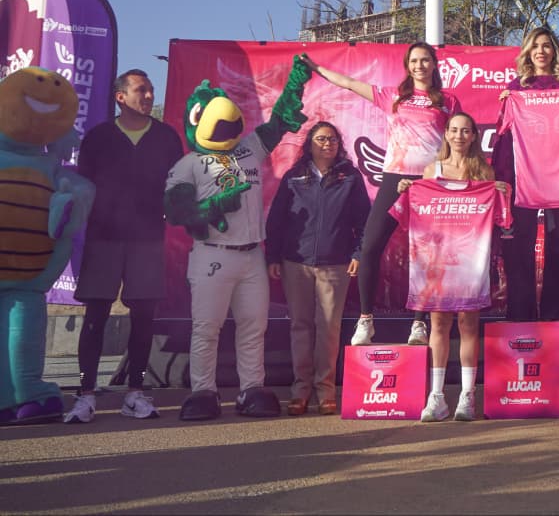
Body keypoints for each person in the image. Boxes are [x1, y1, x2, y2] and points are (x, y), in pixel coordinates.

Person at [164, 58, 312, 421]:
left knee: (253, 327)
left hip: (251, 256)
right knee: (206, 327)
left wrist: (295, 82)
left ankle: (251, 389)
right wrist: (215, 205)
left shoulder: (248, 149)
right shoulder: (189, 164)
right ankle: (203, 391)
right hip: (212, 255)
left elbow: (279, 122)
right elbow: (177, 211)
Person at [302, 43, 461, 346]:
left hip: (430, 183)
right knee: (370, 247)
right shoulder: (393, 96)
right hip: (394, 178)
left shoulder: (448, 101)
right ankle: (366, 320)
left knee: (428, 254)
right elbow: (348, 83)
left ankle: (419, 323)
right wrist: (316, 68)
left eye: (425, 60)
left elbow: (459, 139)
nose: (419, 65)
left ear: (434, 64)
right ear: (408, 65)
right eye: (414, 61)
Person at [62, 70, 183, 424]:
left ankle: (135, 393)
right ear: (120, 97)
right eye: (141, 90)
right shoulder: (98, 137)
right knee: (95, 316)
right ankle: (85, 395)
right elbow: (83, 188)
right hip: (103, 239)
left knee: (144, 317)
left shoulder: (166, 137)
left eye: (151, 90)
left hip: (148, 240)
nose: (148, 96)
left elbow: (178, 186)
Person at [393, 112, 510, 422]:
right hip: (438, 261)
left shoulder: (484, 172)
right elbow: (418, 207)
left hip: (470, 261)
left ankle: (467, 396)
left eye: (465, 131)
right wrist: (408, 188)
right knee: (439, 325)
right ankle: (437, 396)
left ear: (473, 136)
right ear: (446, 134)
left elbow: (497, 217)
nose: (459, 136)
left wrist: (499, 192)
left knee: (468, 325)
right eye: (454, 130)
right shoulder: (432, 170)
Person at [494, 26, 559, 322]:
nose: (541, 51)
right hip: (524, 176)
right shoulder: (517, 88)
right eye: (535, 46)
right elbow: (505, 136)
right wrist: (506, 104)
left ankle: (555, 318)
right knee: (520, 246)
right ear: (528, 52)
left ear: (554, 51)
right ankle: (521, 316)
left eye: (546, 45)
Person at [265, 121, 368, 416]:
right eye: (321, 139)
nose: (327, 144)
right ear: (309, 143)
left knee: (329, 329)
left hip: (335, 264)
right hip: (295, 263)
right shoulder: (294, 176)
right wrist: (273, 257)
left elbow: (365, 221)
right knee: (300, 326)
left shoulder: (350, 177)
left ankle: (326, 390)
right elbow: (276, 220)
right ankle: (300, 391)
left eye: (333, 139)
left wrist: (358, 253)